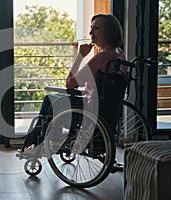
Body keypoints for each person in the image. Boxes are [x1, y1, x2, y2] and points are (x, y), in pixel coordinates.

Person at [19, 14, 126, 153]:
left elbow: (70, 83)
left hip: (90, 109)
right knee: (57, 98)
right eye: (91, 28)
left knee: (49, 100)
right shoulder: (119, 54)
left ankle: (39, 143)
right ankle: (46, 141)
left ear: (108, 32)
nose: (90, 33)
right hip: (107, 108)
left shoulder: (101, 57)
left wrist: (80, 56)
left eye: (96, 29)